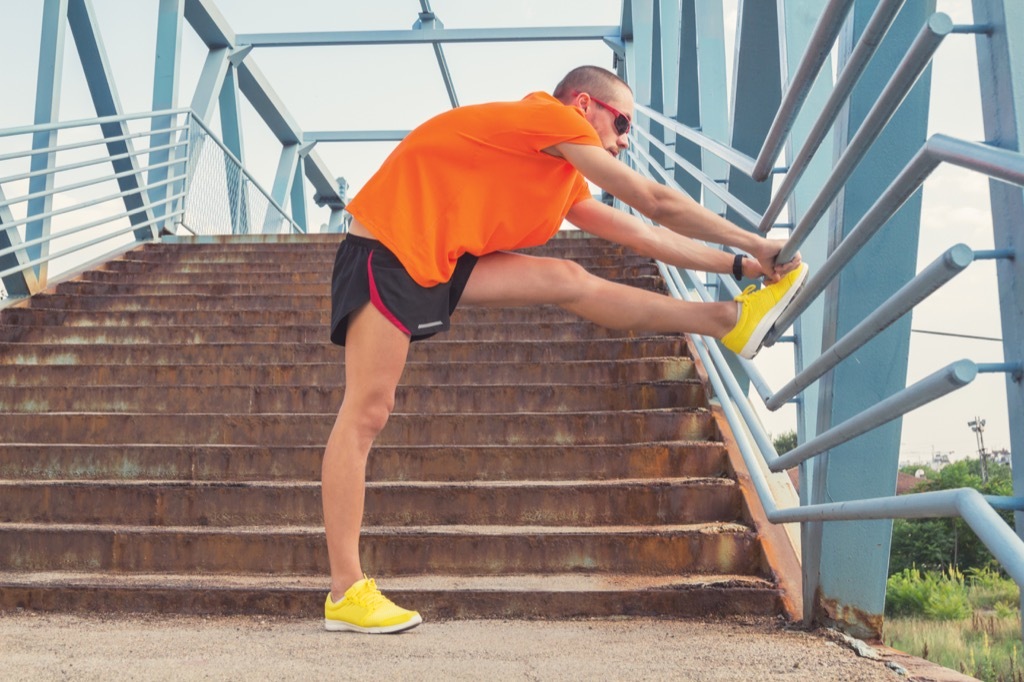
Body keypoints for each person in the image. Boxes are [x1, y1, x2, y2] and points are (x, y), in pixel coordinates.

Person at [321, 65, 807, 634]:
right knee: (368, 410)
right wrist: (757, 241)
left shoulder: (563, 180)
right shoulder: (548, 119)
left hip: (440, 258)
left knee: (569, 279)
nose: (626, 140)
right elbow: (654, 202)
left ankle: (726, 320)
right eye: (622, 122)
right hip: (388, 246)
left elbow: (645, 236)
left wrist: (741, 268)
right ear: (583, 106)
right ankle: (345, 591)